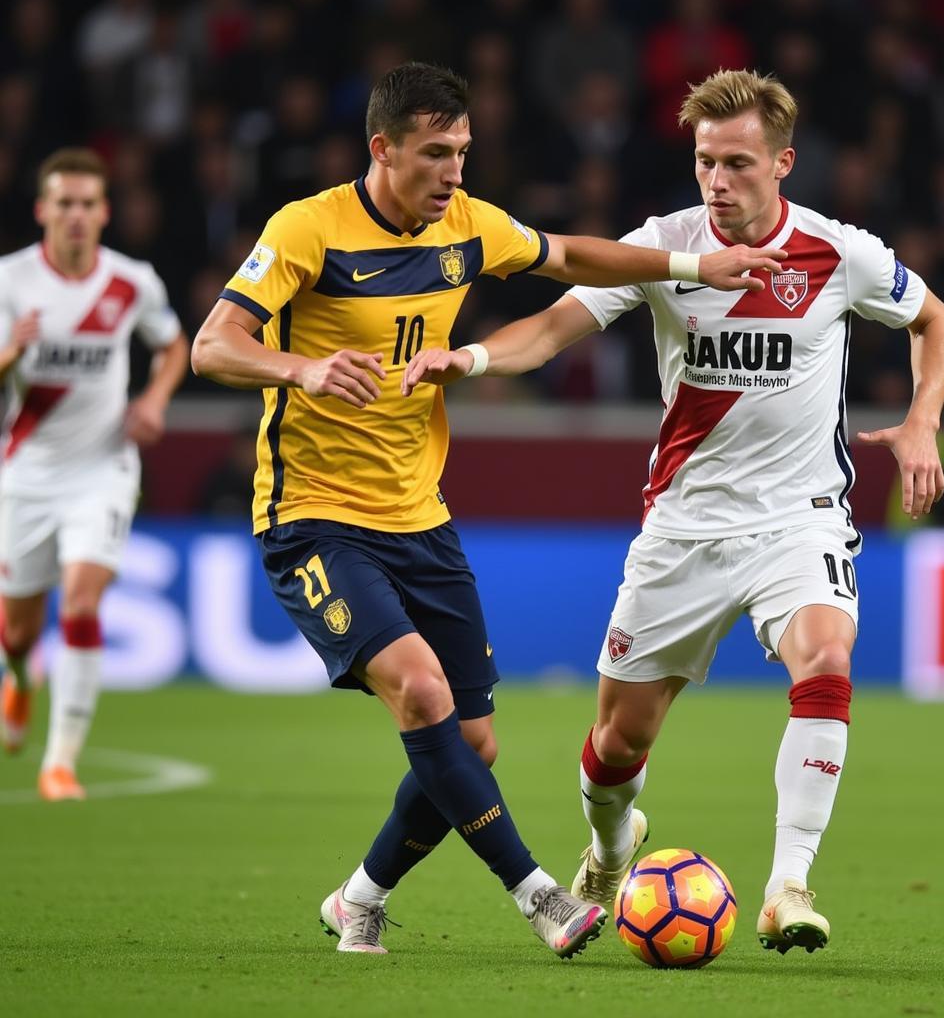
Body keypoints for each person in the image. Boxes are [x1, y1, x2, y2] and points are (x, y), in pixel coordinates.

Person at [191, 61, 784, 960]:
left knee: (472, 742)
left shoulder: (466, 225)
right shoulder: (307, 230)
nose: (454, 173)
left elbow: (571, 255)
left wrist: (698, 264)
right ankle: (539, 894)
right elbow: (214, 345)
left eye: (463, 152)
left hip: (418, 516)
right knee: (421, 693)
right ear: (381, 149)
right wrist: (301, 368)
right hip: (312, 515)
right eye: (435, 154)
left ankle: (359, 898)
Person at [403, 68, 944, 955]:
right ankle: (612, 848)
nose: (717, 181)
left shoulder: (837, 251)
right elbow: (549, 329)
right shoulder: (665, 247)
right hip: (684, 529)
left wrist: (925, 420)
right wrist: (463, 360)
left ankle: (789, 884)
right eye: (705, 162)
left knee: (827, 656)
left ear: (783, 162)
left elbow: (935, 319)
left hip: (799, 518)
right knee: (619, 742)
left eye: (737, 163)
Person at [0, 147, 189, 799]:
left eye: (87, 204)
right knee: (17, 630)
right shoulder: (10, 281)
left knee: (81, 601)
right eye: (65, 203)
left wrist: (153, 401)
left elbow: (173, 345)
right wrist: (10, 355)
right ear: (42, 210)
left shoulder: (130, 281)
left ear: (104, 212)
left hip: (103, 466)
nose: (76, 215)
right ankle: (20, 678)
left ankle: (60, 763)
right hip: (25, 471)